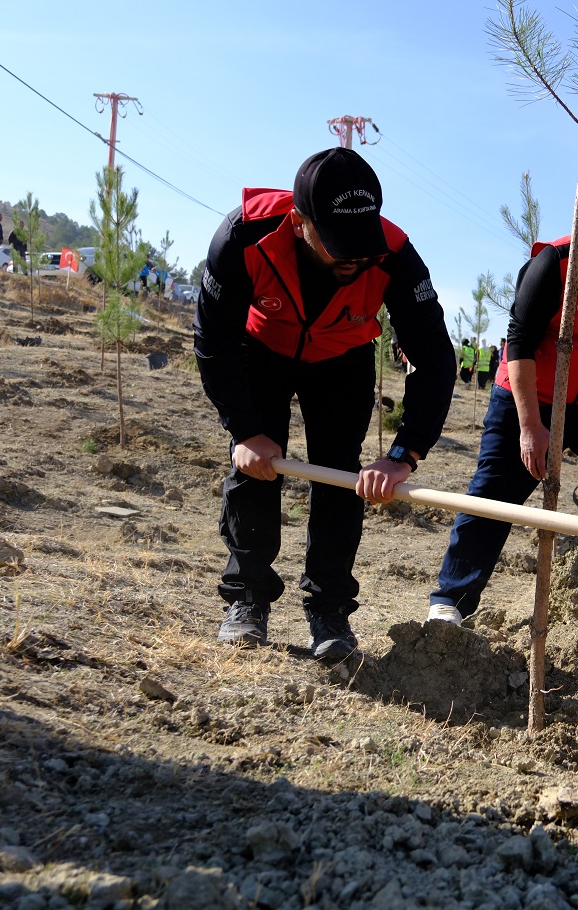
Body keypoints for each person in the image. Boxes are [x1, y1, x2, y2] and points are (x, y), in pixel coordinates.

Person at [193, 147, 454, 662]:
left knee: (338, 476)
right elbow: (213, 339)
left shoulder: (396, 254)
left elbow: (436, 359)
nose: (355, 259)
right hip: (260, 349)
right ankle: (247, 600)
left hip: (343, 356)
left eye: (363, 244)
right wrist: (244, 429)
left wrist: (404, 454)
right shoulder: (243, 234)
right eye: (339, 246)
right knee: (256, 470)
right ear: (298, 221)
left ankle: (329, 611)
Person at [427, 193, 578, 625]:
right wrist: (529, 427)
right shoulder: (560, 262)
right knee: (494, 492)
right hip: (529, 391)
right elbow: (518, 341)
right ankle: (452, 599)